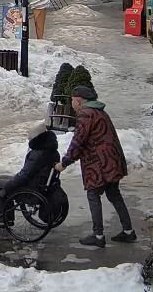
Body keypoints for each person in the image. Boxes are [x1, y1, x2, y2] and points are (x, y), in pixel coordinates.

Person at [55, 85, 135, 247]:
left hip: (99, 164)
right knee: (114, 194)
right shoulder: (100, 112)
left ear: (79, 101)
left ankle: (98, 236)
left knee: (93, 195)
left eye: (72, 100)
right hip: (112, 161)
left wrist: (64, 162)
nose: (71, 104)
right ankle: (128, 231)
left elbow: (78, 142)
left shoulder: (86, 115)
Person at [0, 122, 60, 227]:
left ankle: (0, 219)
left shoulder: (38, 154)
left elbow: (25, 175)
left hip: (32, 188)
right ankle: (6, 217)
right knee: (2, 178)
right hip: (39, 183)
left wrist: (9, 186)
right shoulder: (51, 150)